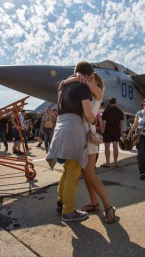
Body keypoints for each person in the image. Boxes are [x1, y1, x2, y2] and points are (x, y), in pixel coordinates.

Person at [59, 72, 116, 224]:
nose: (87, 80)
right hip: (79, 137)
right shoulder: (84, 93)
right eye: (87, 78)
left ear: (97, 83)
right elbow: (63, 84)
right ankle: (94, 203)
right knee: (85, 173)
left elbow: (70, 84)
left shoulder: (98, 93)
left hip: (89, 139)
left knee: (89, 173)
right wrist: (72, 79)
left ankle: (108, 206)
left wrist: (76, 79)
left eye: (91, 79)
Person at [46, 61, 98, 222]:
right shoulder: (83, 87)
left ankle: (60, 204)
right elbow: (89, 114)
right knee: (73, 173)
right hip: (73, 130)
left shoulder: (63, 87)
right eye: (91, 77)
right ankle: (68, 212)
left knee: (66, 171)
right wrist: (95, 122)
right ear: (88, 76)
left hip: (60, 129)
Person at [101, 98, 124, 168]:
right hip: (116, 130)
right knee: (115, 147)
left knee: (107, 147)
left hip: (107, 130)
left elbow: (103, 122)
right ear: (115, 103)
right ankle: (115, 163)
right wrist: (120, 130)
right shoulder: (120, 111)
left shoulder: (106, 111)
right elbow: (122, 123)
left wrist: (102, 131)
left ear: (109, 103)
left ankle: (107, 163)